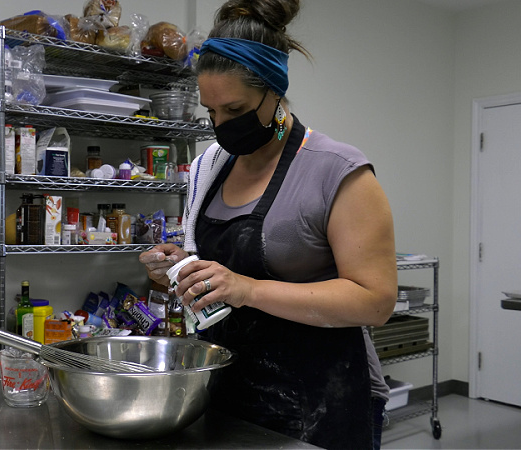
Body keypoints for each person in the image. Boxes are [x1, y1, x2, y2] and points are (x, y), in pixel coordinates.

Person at [138, 0, 397, 448]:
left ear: (274, 91)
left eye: (235, 110)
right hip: (227, 394)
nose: (221, 126)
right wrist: (184, 267)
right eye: (211, 113)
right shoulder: (207, 169)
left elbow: (375, 301)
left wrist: (247, 289)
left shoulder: (337, 170)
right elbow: (221, 270)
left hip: (320, 403)